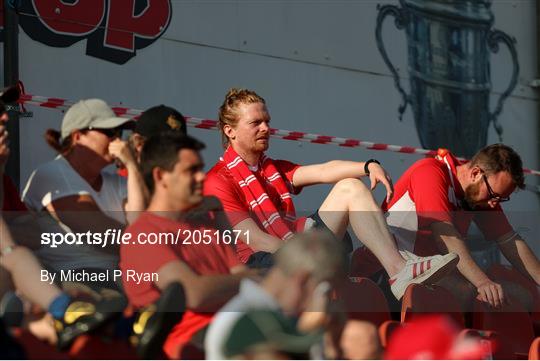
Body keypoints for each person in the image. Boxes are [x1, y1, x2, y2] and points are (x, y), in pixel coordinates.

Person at [203, 88, 458, 300]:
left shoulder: (271, 168)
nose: (266, 128)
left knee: (351, 186)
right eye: (255, 123)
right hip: (262, 265)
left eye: (267, 121)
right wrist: (306, 253)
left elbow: (325, 171)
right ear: (229, 131)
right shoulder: (217, 179)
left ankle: (398, 270)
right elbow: (257, 240)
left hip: (295, 246)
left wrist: (367, 166)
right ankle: (401, 268)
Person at [120, 132, 253, 359]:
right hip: (190, 346)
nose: (202, 177)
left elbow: (244, 279)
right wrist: (249, 280)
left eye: (201, 168)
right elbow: (193, 294)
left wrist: (245, 281)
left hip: (235, 329)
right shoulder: (143, 234)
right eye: (191, 171)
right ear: (161, 176)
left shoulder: (205, 228)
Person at [364, 145, 540, 308]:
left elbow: (509, 240)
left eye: (502, 199)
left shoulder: (482, 194)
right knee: (469, 292)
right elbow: (445, 234)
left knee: (522, 296)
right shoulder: (430, 171)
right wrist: (482, 282)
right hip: (385, 274)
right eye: (494, 195)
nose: (494, 204)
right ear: (476, 173)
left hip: (426, 275)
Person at [205, 230, 380, 360]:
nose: (326, 301)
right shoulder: (245, 319)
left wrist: (332, 343)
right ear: (303, 280)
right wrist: (311, 331)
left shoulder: (281, 317)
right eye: (325, 291)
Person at [21, 98, 147, 278]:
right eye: (109, 132)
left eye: (119, 133)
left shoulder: (117, 182)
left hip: (117, 277)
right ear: (77, 137)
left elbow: (141, 231)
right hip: (71, 279)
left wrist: (133, 167)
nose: (117, 140)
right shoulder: (51, 174)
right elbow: (102, 235)